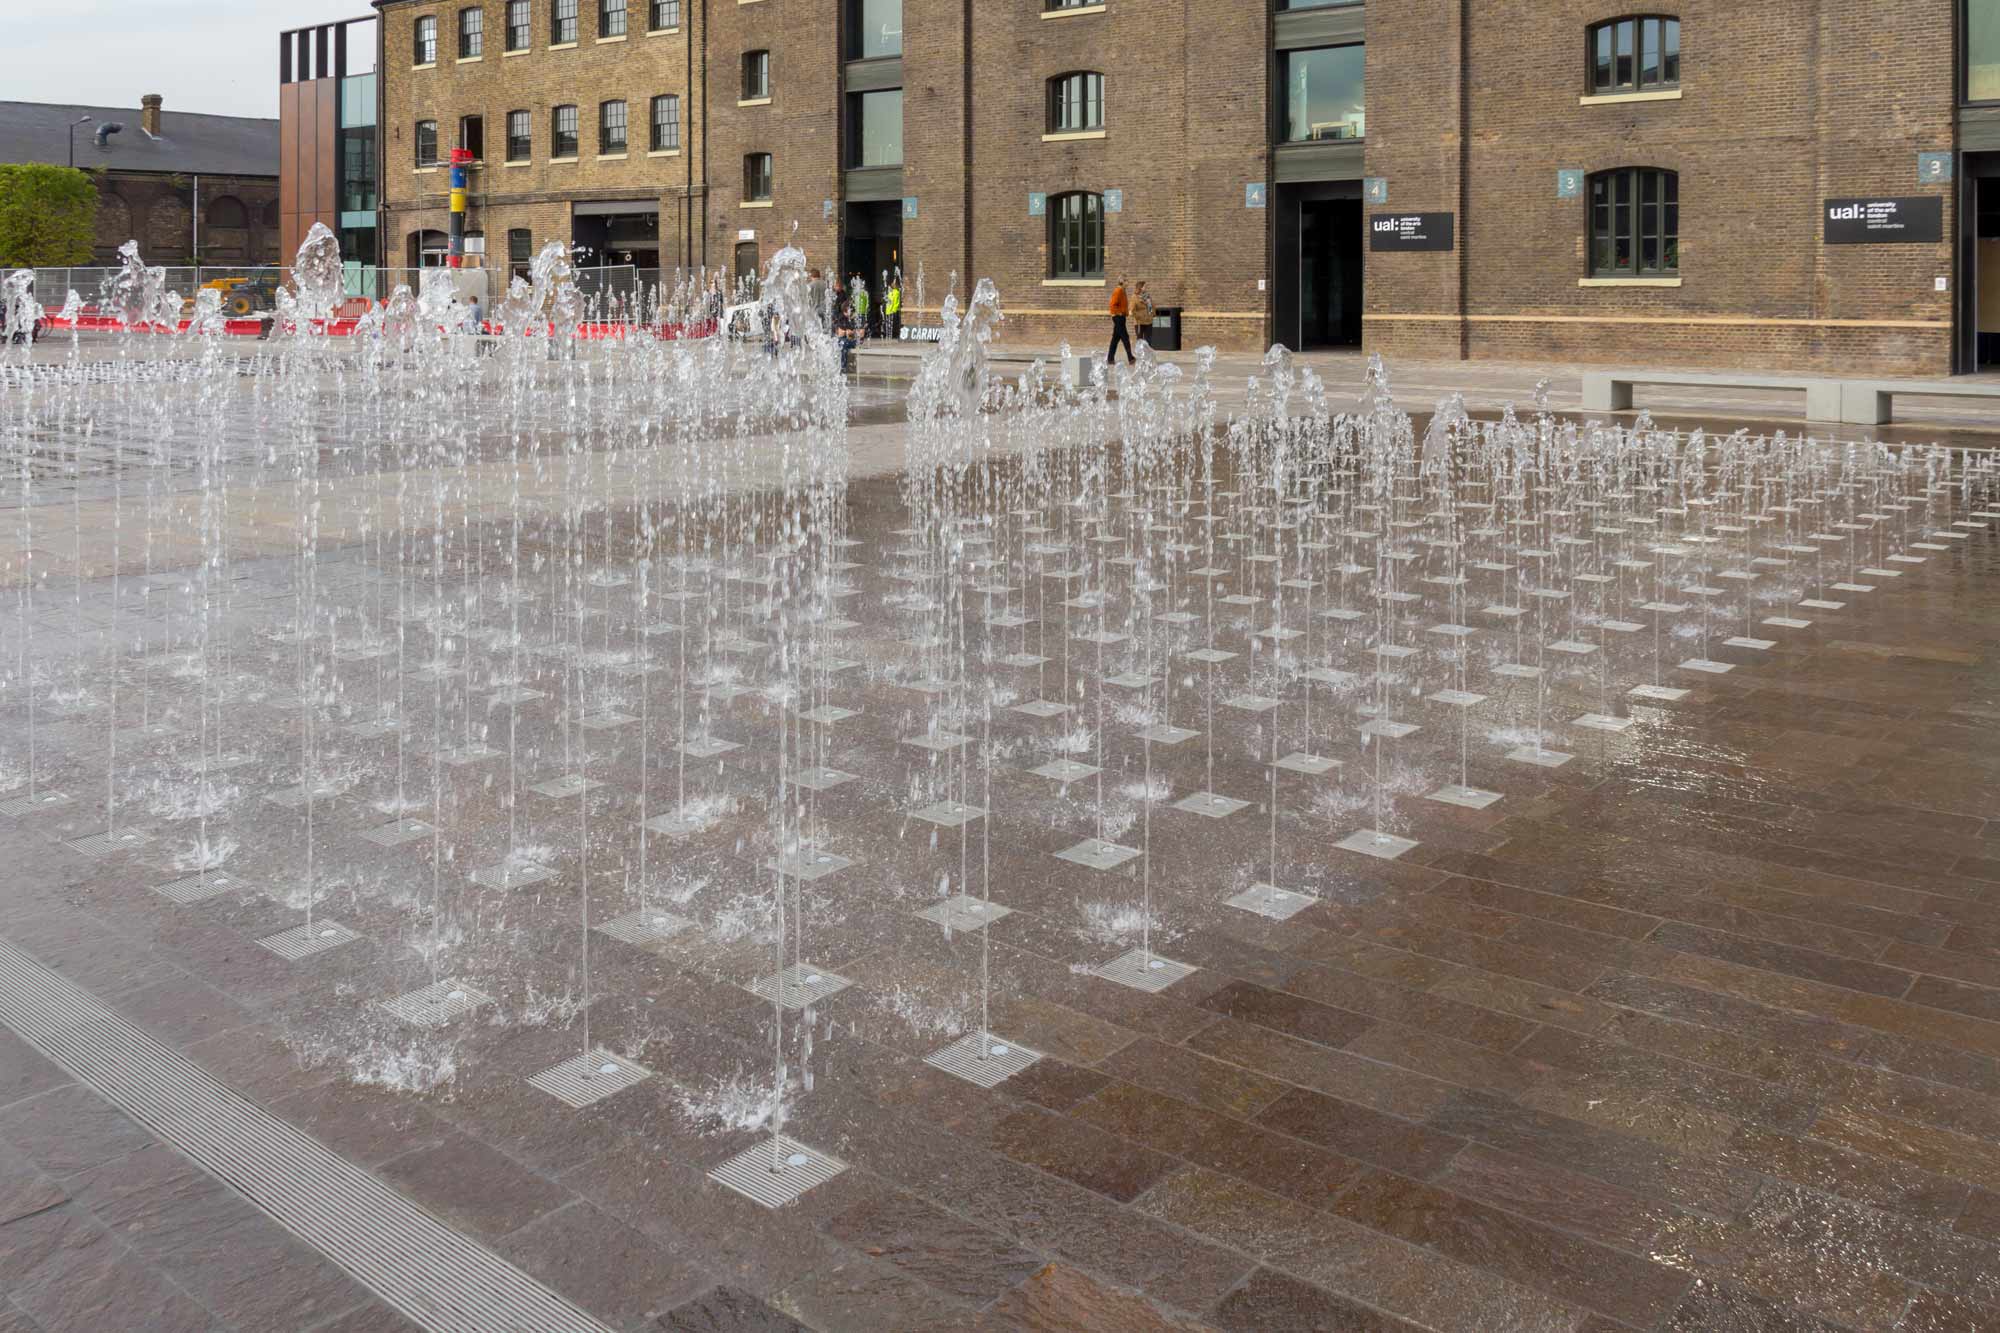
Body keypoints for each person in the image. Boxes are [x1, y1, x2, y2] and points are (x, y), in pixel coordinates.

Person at [1106, 279, 1134, 367]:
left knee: (1115, 339)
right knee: (1125, 337)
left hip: (1121, 317)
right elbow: (1112, 305)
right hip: (1118, 317)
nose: (1128, 283)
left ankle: (1110, 358)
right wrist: (1120, 313)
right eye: (1127, 281)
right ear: (1123, 282)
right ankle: (1131, 358)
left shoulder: (1122, 291)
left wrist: (1125, 313)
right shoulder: (1118, 291)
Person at [1132, 280, 1155, 350]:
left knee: (1149, 341)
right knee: (1140, 341)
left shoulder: (1147, 296)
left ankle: (1148, 358)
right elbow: (1132, 310)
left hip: (1148, 321)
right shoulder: (1134, 297)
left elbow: (1152, 306)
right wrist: (1139, 316)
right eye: (1145, 286)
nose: (1146, 287)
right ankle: (1140, 358)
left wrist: (1152, 314)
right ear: (1140, 287)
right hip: (1139, 323)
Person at [885, 276, 903, 341]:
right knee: (889, 324)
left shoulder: (896, 292)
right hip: (889, 310)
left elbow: (895, 301)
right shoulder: (891, 291)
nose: (892, 284)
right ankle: (890, 335)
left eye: (894, 283)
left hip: (893, 310)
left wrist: (894, 309)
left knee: (894, 324)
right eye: (892, 283)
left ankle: (894, 335)